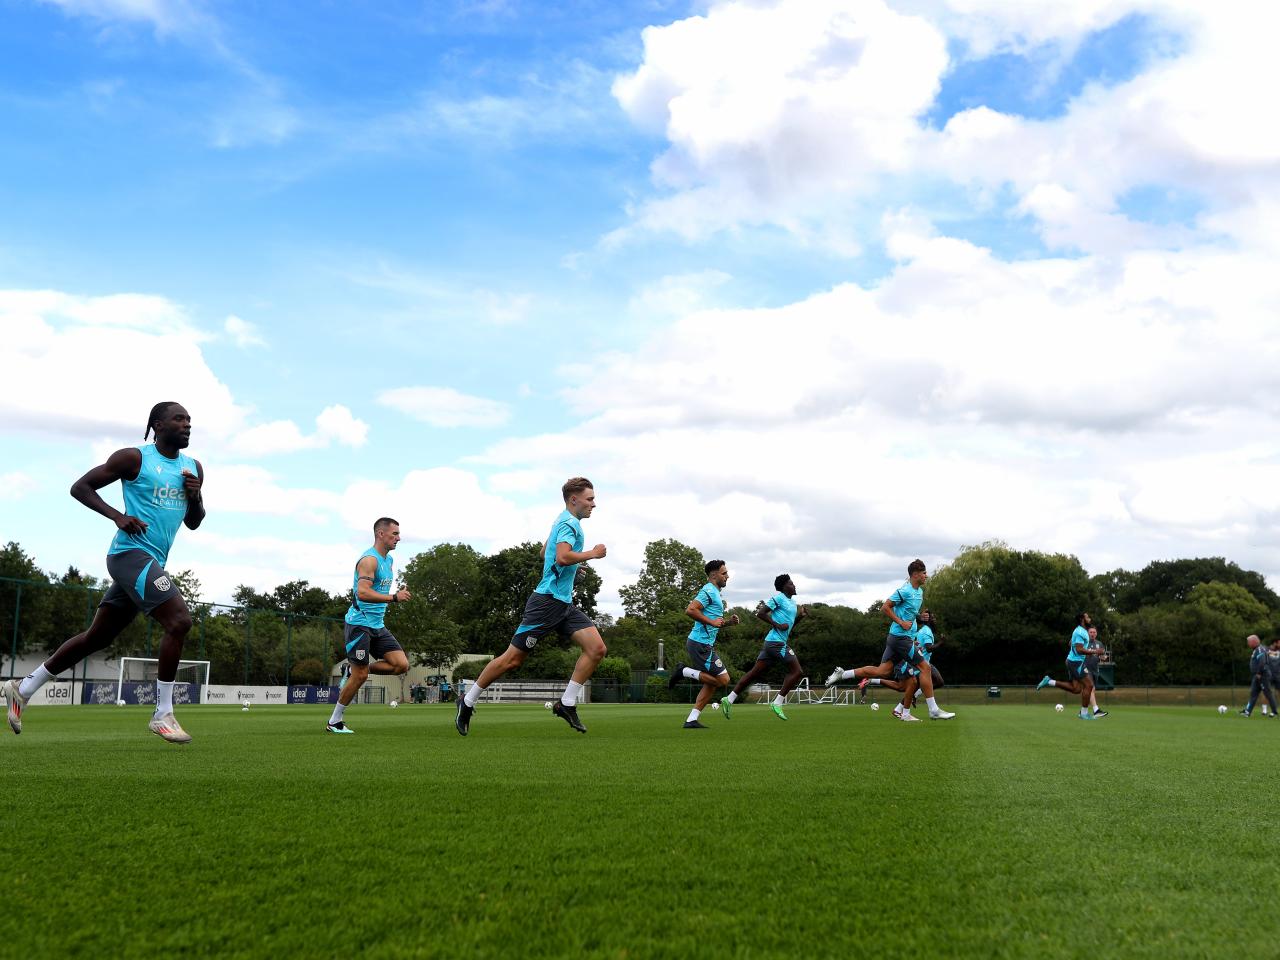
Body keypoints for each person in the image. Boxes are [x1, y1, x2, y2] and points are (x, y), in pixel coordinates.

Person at [4, 402, 204, 743]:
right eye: (179, 418)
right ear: (157, 424)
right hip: (129, 555)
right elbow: (80, 487)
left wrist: (196, 496)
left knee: (96, 638)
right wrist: (117, 516)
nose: (187, 424)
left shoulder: (192, 467)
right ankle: (162, 714)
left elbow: (194, 522)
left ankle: (23, 688)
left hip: (151, 561)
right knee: (179, 621)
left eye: (189, 420)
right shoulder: (134, 459)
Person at [455, 477, 606, 736]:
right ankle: (467, 701)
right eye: (590, 499)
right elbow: (561, 555)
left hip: (563, 604)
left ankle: (566, 703)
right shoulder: (569, 522)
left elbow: (544, 553)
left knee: (596, 649)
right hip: (546, 603)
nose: (594, 504)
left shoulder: (561, 520)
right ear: (574, 499)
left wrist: (572, 566)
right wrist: (591, 553)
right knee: (511, 660)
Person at [826, 561, 953, 720]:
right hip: (901, 638)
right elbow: (885, 607)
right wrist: (900, 622)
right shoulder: (904, 590)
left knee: (882, 671)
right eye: (924, 573)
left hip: (897, 638)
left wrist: (919, 617)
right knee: (925, 668)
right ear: (915, 574)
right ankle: (933, 710)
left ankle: (843, 674)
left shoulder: (919, 592)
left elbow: (910, 613)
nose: (926, 575)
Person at [326, 518, 412, 733]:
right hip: (359, 624)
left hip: (377, 625)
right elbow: (362, 593)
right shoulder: (369, 560)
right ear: (380, 534)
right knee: (361, 676)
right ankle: (334, 722)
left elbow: (377, 590)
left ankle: (353, 668)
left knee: (401, 665)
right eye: (394, 534)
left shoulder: (388, 561)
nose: (398, 538)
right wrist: (393, 597)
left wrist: (394, 595)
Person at [722, 574, 807, 720]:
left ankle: (729, 699)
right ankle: (777, 702)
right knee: (797, 671)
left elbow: (789, 626)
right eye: (791, 584)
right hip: (776, 643)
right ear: (784, 587)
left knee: (754, 673)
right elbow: (760, 613)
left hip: (772, 643)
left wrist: (800, 617)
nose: (794, 586)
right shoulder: (779, 598)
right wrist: (777, 625)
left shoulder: (793, 603)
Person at [670, 559, 740, 728]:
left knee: (712, 682)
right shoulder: (708, 590)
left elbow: (715, 623)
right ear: (714, 575)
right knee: (723, 680)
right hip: (700, 644)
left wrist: (729, 622)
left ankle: (691, 719)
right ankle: (684, 671)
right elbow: (690, 610)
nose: (727, 576)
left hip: (702, 644)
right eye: (724, 573)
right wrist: (710, 622)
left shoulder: (715, 593)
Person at [1036, 613, 1105, 719]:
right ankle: (1084, 713)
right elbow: (1079, 649)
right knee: (1089, 685)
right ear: (1082, 619)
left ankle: (1049, 681)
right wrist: (1095, 651)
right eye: (1087, 617)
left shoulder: (1081, 631)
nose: (1089, 618)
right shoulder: (1080, 632)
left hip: (1074, 661)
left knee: (1076, 689)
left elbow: (1070, 643)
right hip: (1076, 663)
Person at [1239, 634, 1278, 718]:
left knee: (1268, 693)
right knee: (1253, 693)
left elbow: (1262, 661)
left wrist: (1259, 673)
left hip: (1263, 675)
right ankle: (1247, 711)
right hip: (1257, 676)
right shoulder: (1257, 649)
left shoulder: (1260, 649)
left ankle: (1275, 712)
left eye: (1249, 642)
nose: (1248, 644)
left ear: (1254, 642)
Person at [1084, 626, 1108, 719]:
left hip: (1095, 670)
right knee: (1091, 688)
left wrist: (1103, 658)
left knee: (1089, 691)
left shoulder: (1099, 644)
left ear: (1096, 634)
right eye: (1091, 632)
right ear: (1087, 633)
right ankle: (1096, 710)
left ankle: (1082, 710)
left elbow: (1102, 656)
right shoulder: (1084, 643)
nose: (1093, 634)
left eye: (1094, 632)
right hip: (1085, 669)